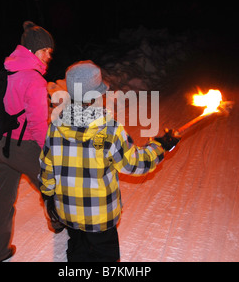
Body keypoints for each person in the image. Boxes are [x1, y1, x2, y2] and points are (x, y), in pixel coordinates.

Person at [38, 60, 179, 262]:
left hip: (68, 212)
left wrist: (48, 196)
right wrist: (160, 146)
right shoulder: (109, 128)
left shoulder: (55, 126)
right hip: (100, 216)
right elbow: (134, 164)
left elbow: (47, 168)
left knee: (77, 253)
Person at [0, 21, 55, 262]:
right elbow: (37, 124)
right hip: (22, 147)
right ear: (35, 50)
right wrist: (49, 150)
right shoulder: (34, 79)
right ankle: (62, 225)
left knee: (1, 201)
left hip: (0, 146)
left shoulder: (8, 70)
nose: (48, 56)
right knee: (53, 184)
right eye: (46, 51)